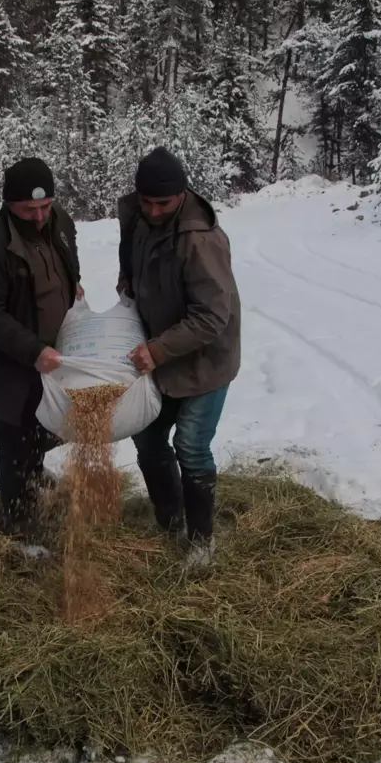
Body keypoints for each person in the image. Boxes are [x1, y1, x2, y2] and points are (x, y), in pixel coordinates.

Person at [118, 147, 241, 563]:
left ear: (182, 193)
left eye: (163, 203)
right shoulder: (136, 215)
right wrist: (128, 283)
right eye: (146, 201)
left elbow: (212, 317)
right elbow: (130, 258)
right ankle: (170, 520)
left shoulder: (200, 240)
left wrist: (156, 350)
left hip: (205, 359)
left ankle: (201, 540)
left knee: (190, 444)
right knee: (147, 436)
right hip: (162, 350)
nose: (153, 210)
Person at [0, 158, 82, 538]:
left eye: (45, 206)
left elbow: (67, 258)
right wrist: (33, 351)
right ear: (9, 204)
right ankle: (20, 523)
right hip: (9, 361)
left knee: (47, 423)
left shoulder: (59, 219)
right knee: (15, 438)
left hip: (53, 355)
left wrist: (72, 284)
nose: (39, 216)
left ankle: (34, 471)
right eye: (29, 209)